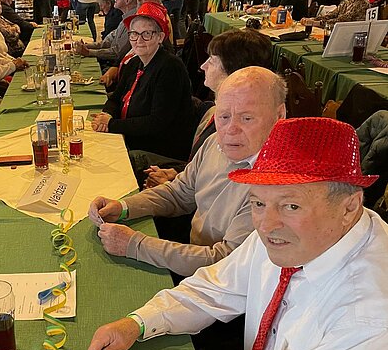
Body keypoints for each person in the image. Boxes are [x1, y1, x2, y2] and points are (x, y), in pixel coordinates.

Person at [85, 116, 387, 350]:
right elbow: (215, 287)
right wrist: (138, 323)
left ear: (349, 207)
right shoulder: (291, 234)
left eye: (291, 205)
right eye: (257, 202)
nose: (266, 226)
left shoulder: (369, 317)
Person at [89, 66, 285, 277]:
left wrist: (136, 245)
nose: (231, 129)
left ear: (279, 115)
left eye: (247, 118)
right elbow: (179, 193)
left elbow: (224, 262)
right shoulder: (215, 143)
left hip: (217, 283)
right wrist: (124, 207)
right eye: (224, 116)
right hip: (191, 254)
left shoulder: (274, 187)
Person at [142, 28, 272, 188]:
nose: (203, 66)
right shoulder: (214, 110)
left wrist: (172, 182)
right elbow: (202, 164)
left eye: (211, 61)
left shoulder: (233, 126)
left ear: (232, 70)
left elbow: (220, 181)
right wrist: (176, 173)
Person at [91, 2, 195, 161]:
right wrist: (106, 115)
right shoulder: (134, 63)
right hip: (131, 138)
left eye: (146, 34)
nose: (139, 40)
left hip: (158, 149)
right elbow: (116, 99)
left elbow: (157, 123)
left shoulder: (170, 68)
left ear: (160, 37)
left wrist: (111, 124)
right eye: (134, 34)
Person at [75, 0, 139, 69]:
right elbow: (109, 41)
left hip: (115, 69)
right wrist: (87, 46)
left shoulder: (134, 22)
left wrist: (89, 52)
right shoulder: (125, 17)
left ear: (127, 0)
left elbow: (117, 53)